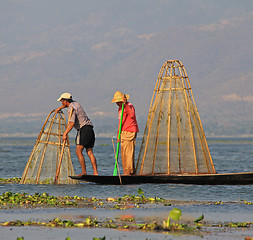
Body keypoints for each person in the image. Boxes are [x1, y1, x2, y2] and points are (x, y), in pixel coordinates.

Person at [55, 92, 98, 176]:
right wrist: (60, 107)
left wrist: (65, 134)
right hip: (90, 129)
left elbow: (71, 123)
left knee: (78, 151)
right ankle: (95, 172)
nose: (62, 103)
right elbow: (67, 104)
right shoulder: (76, 104)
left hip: (83, 129)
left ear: (65, 101)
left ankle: (84, 172)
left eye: (62, 101)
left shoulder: (71, 109)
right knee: (89, 152)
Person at [111, 91, 139, 175]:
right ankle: (126, 171)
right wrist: (118, 134)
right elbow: (121, 121)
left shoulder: (129, 106)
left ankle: (129, 171)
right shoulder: (120, 108)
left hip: (130, 131)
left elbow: (132, 115)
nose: (117, 103)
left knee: (128, 152)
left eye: (118, 102)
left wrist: (125, 104)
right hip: (123, 131)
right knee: (123, 152)